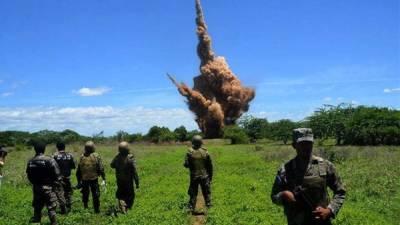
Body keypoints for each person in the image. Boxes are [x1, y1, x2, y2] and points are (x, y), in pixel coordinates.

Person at [271, 128, 346, 225]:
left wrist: (329, 210)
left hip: (322, 222)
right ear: (294, 145)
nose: (306, 147)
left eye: (309, 143)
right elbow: (274, 196)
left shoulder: (326, 166)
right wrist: (283, 195)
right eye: (302, 144)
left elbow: (340, 191)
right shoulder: (285, 169)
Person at [26, 141, 60, 225]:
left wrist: (35, 183)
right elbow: (57, 174)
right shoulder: (50, 160)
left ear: (35, 149)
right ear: (44, 149)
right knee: (51, 208)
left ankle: (36, 222)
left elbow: (29, 175)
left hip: (36, 188)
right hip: (48, 188)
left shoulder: (30, 161)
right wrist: (54, 183)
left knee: (37, 208)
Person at [184, 135, 213, 211]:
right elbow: (210, 166)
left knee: (193, 193)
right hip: (205, 176)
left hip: (194, 176)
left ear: (193, 142)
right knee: (207, 193)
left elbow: (186, 165)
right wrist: (210, 177)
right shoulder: (206, 152)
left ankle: (191, 208)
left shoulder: (189, 152)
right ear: (201, 142)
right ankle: (209, 208)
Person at [76, 141, 106, 213]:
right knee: (95, 194)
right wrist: (104, 178)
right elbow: (101, 168)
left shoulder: (82, 156)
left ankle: (85, 206)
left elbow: (78, 171)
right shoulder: (96, 156)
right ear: (92, 148)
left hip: (84, 179)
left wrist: (79, 181)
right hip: (94, 179)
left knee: (85, 193)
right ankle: (96, 209)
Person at [110, 141, 139, 214]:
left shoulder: (117, 157)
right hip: (128, 181)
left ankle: (123, 207)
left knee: (121, 194)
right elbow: (135, 172)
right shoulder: (130, 158)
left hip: (119, 180)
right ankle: (127, 208)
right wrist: (137, 182)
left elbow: (112, 165)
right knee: (130, 194)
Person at [53, 141, 76, 214]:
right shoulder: (70, 155)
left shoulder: (54, 156)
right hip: (67, 177)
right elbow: (73, 166)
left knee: (60, 193)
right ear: (64, 147)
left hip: (58, 178)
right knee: (68, 192)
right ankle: (69, 208)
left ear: (57, 147)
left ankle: (63, 209)